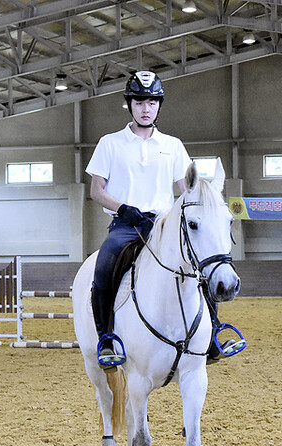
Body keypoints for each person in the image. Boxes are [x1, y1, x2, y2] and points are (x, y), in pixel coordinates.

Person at [85, 70, 192, 368]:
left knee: (199, 262)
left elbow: (187, 190)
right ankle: (105, 337)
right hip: (127, 225)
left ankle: (212, 333)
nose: (146, 109)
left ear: (159, 106)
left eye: (152, 103)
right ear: (130, 104)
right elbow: (97, 190)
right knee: (104, 266)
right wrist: (123, 209)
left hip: (163, 225)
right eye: (140, 102)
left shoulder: (172, 145)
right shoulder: (110, 143)